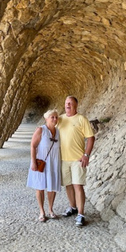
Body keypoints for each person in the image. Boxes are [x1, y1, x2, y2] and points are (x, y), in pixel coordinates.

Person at [58, 96, 94, 226]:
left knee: (78, 185)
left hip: (78, 160)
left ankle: (81, 214)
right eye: (67, 103)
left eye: (71, 104)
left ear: (76, 106)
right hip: (63, 159)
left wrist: (86, 155)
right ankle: (73, 207)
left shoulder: (81, 119)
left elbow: (91, 138)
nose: (68, 105)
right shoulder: (60, 119)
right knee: (68, 185)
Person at [26, 109, 61, 222]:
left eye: (56, 117)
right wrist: (33, 162)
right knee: (40, 187)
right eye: (52, 117)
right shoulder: (41, 130)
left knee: (52, 187)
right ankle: (42, 211)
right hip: (41, 162)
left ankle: (51, 209)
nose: (55, 119)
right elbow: (33, 146)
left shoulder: (58, 132)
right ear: (46, 118)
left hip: (54, 163)